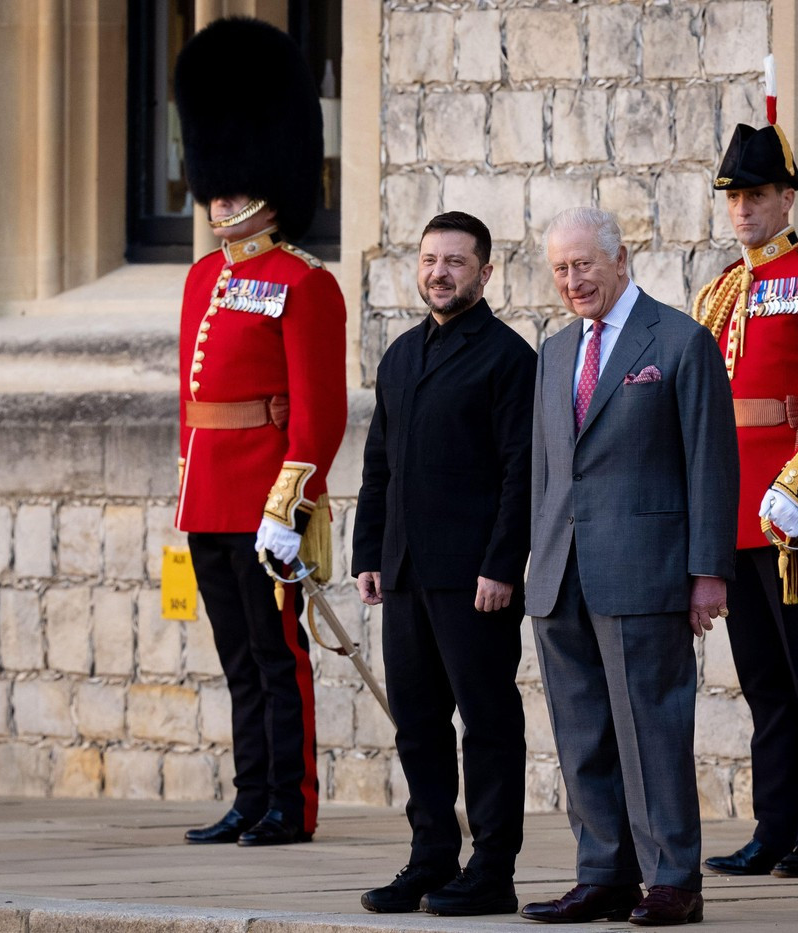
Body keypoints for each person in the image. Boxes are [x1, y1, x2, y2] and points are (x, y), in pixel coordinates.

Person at [520, 207, 738, 927]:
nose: (573, 279)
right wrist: (534, 560)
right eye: (560, 268)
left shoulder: (680, 341)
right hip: (562, 573)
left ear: (620, 258)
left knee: (652, 732)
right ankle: (602, 873)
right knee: (581, 734)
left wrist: (708, 571)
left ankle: (672, 877)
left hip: (646, 572)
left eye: (584, 264)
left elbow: (712, 463)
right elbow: (547, 472)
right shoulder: (553, 352)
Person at [173, 17, 348, 848]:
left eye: (232, 190)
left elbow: (320, 410)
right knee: (239, 660)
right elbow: (192, 400)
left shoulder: (302, 281)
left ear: (268, 185)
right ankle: (249, 796)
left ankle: (290, 801)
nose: (219, 204)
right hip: (208, 495)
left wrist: (292, 500)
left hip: (266, 497)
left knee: (280, 658)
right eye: (214, 189)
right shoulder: (204, 277)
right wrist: (188, 491)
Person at [691, 90, 798, 878]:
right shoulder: (722, 289)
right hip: (734, 509)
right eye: (734, 196)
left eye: (756, 195)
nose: (744, 210)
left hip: (792, 509)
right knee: (761, 680)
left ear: (787, 197)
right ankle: (771, 826)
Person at [352, 212, 535, 916]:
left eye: (456, 261)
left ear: (484, 273)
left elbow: (522, 472)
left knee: (488, 722)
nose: (440, 272)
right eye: (431, 259)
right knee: (418, 724)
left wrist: (501, 565)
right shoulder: (399, 355)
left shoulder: (509, 358)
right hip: (404, 573)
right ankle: (431, 856)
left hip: (476, 581)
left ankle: (492, 866)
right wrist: (370, 551)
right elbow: (379, 466)